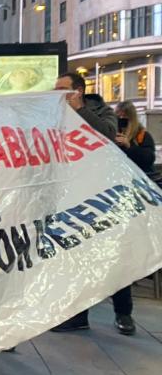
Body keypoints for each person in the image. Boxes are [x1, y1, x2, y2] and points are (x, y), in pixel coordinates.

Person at [52, 72, 119, 333]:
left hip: (97, 194)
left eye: (63, 89)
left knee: (104, 254)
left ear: (78, 91)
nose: (57, 92)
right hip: (66, 193)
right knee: (70, 254)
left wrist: (79, 110)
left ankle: (123, 312)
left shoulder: (102, 111)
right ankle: (75, 315)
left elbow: (107, 136)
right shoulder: (54, 113)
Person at [107, 100, 155, 335]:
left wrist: (128, 146)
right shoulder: (105, 132)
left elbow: (147, 161)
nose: (119, 120)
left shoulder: (141, 136)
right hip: (105, 198)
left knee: (121, 256)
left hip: (129, 201)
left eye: (122, 116)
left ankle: (123, 312)